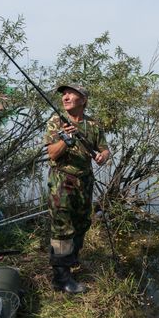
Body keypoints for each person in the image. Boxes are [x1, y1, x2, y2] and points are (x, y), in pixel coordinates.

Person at [43, 84, 110, 293]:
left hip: (85, 181)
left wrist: (102, 157)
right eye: (64, 94)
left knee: (82, 223)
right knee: (62, 228)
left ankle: (71, 262)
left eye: (71, 93)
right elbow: (52, 154)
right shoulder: (56, 122)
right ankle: (61, 279)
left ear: (83, 99)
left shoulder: (92, 124)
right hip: (63, 181)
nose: (66, 97)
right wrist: (65, 139)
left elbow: (105, 149)